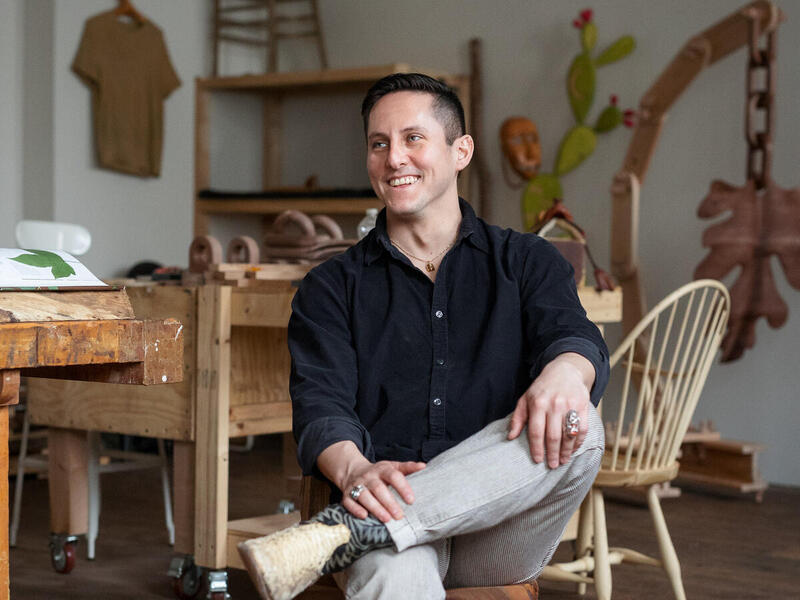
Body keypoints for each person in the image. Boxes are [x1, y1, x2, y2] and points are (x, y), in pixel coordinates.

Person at [238, 73, 609, 600]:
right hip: (383, 504)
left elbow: (570, 333)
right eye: (379, 143)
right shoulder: (330, 287)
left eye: (413, 139)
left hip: (496, 532)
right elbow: (322, 408)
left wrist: (566, 374)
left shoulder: (527, 261)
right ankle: (369, 530)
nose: (394, 159)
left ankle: (341, 537)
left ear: (461, 151)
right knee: (392, 571)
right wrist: (357, 470)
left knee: (580, 421)